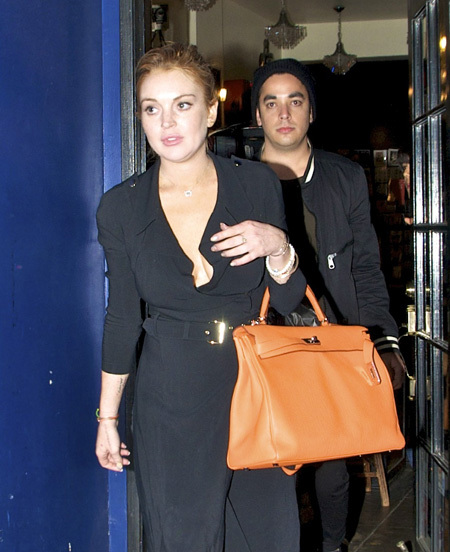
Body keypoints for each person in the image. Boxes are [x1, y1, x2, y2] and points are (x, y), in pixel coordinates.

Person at [95, 43, 306, 552]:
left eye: (183, 104)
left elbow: (289, 298)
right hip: (171, 395)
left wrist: (277, 245)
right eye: (152, 108)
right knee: (184, 539)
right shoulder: (121, 207)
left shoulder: (257, 184)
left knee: (268, 538)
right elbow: (122, 319)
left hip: (253, 385)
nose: (167, 121)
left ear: (211, 111)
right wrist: (107, 419)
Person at [250, 59, 406, 552]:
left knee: (334, 464)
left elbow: (366, 268)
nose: (284, 113)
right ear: (258, 114)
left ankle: (334, 544)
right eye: (272, 102)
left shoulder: (345, 177)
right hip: (266, 341)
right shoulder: (237, 180)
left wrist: (383, 341)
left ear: (311, 111)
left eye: (295, 100)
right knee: (270, 460)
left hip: (331, 337)